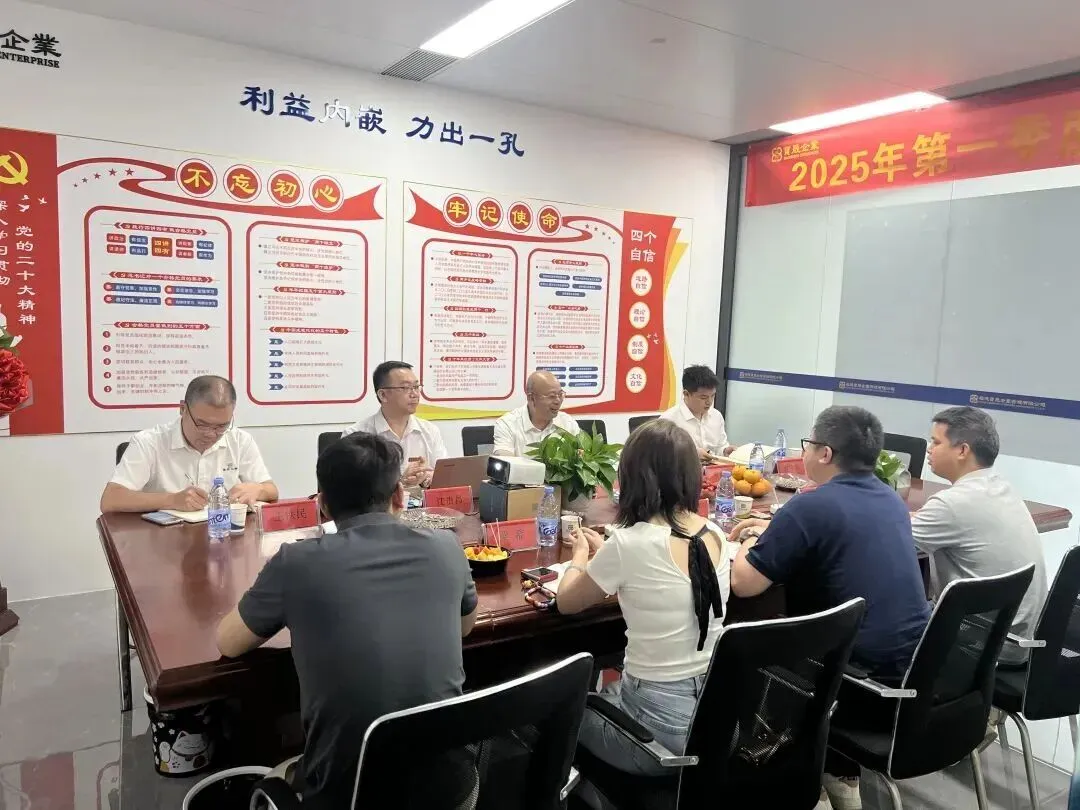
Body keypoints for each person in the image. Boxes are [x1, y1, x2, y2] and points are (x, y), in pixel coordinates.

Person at [216, 432, 479, 810]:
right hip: (450, 790)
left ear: (322, 505)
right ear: (399, 496)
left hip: (347, 796)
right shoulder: (447, 547)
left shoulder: (296, 563)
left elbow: (228, 643)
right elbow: (464, 628)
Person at [728, 405, 930, 810]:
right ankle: (839, 778)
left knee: (737, 659)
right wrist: (777, 530)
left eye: (808, 444)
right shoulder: (891, 500)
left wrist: (750, 540)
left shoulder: (811, 507)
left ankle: (796, 785)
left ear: (824, 453)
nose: (804, 452)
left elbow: (743, 584)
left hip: (857, 690)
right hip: (913, 680)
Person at [558, 419, 731, 775]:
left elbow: (567, 601)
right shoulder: (715, 533)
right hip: (716, 721)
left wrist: (580, 555)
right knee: (607, 692)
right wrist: (609, 554)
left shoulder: (628, 543)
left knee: (559, 711)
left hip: (659, 740)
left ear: (632, 477)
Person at [913, 406, 1047, 664]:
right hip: (1017, 641)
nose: (929, 449)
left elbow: (891, 543)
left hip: (980, 645)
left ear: (962, 450)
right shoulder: (1001, 487)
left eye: (936, 442)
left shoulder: (952, 504)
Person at [100, 375, 278, 513]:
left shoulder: (240, 440)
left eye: (221, 426)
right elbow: (111, 500)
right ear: (183, 409)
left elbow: (271, 490)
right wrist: (172, 500)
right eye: (202, 425)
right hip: (162, 540)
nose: (211, 434)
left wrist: (257, 489)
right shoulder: (148, 442)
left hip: (222, 536)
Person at [342, 361, 447, 487]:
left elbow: (444, 473)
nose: (415, 394)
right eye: (405, 388)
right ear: (383, 395)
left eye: (416, 387)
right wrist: (400, 482)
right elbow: (351, 487)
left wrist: (427, 478)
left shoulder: (430, 430)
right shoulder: (355, 435)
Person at [492, 370, 580, 456]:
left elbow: (581, 457)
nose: (558, 401)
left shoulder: (568, 423)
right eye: (552, 396)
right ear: (531, 398)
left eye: (560, 395)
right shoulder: (507, 425)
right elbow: (505, 461)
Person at [659, 365, 734, 461]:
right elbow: (661, 456)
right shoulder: (668, 420)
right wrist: (691, 454)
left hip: (712, 469)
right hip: (682, 469)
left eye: (712, 396)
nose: (709, 402)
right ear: (686, 394)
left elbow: (720, 446)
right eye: (703, 397)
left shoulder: (716, 416)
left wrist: (725, 451)